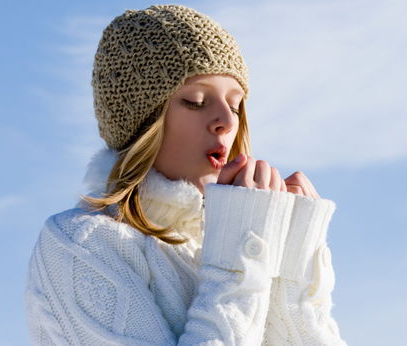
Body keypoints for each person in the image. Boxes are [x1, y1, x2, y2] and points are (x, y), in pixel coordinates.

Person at [24, 4, 346, 345]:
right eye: (195, 101)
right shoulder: (81, 245)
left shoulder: (216, 243)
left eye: (236, 104)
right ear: (143, 123)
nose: (226, 119)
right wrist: (241, 256)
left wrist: (292, 265)